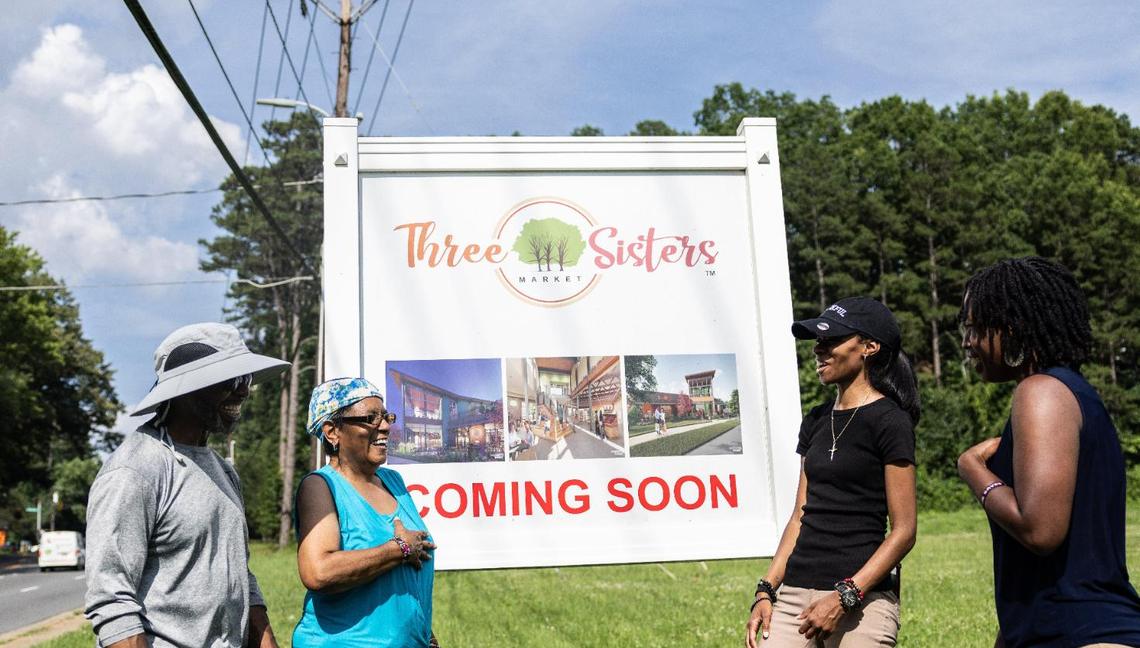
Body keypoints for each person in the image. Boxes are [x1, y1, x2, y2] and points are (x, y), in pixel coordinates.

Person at [955, 257, 1140, 648]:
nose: (967, 341)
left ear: (1013, 328)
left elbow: (1040, 531)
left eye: (974, 327)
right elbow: (1044, 569)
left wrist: (971, 468)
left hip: (1083, 631)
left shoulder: (1041, 391)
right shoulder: (1071, 394)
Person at [85, 322, 288, 647]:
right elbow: (113, 602)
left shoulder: (224, 471)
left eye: (246, 378)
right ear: (185, 389)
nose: (243, 390)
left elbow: (241, 576)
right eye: (231, 379)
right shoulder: (135, 470)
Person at [746, 297, 920, 648]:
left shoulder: (891, 422)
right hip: (795, 593)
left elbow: (904, 531)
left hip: (862, 598)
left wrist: (846, 596)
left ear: (869, 347)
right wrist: (766, 589)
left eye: (831, 340)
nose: (818, 349)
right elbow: (800, 515)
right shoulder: (815, 419)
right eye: (818, 341)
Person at [292, 378, 438, 647]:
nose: (385, 426)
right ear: (332, 431)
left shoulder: (394, 482)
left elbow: (403, 583)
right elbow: (318, 571)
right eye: (371, 418)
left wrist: (423, 632)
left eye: (386, 417)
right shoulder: (320, 487)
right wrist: (398, 550)